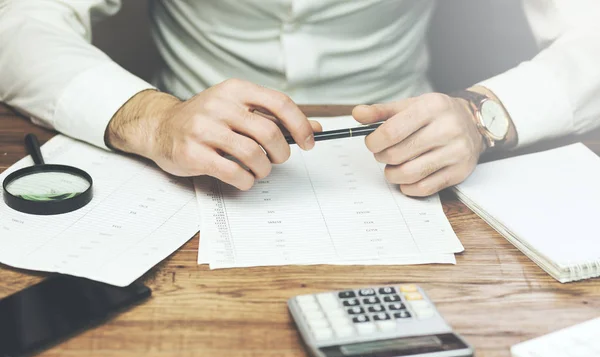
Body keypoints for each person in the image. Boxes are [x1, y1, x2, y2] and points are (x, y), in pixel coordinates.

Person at [1, 1, 599, 196]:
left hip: (420, 171)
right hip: (182, 173)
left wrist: (483, 114)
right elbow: (18, 21)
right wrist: (154, 120)